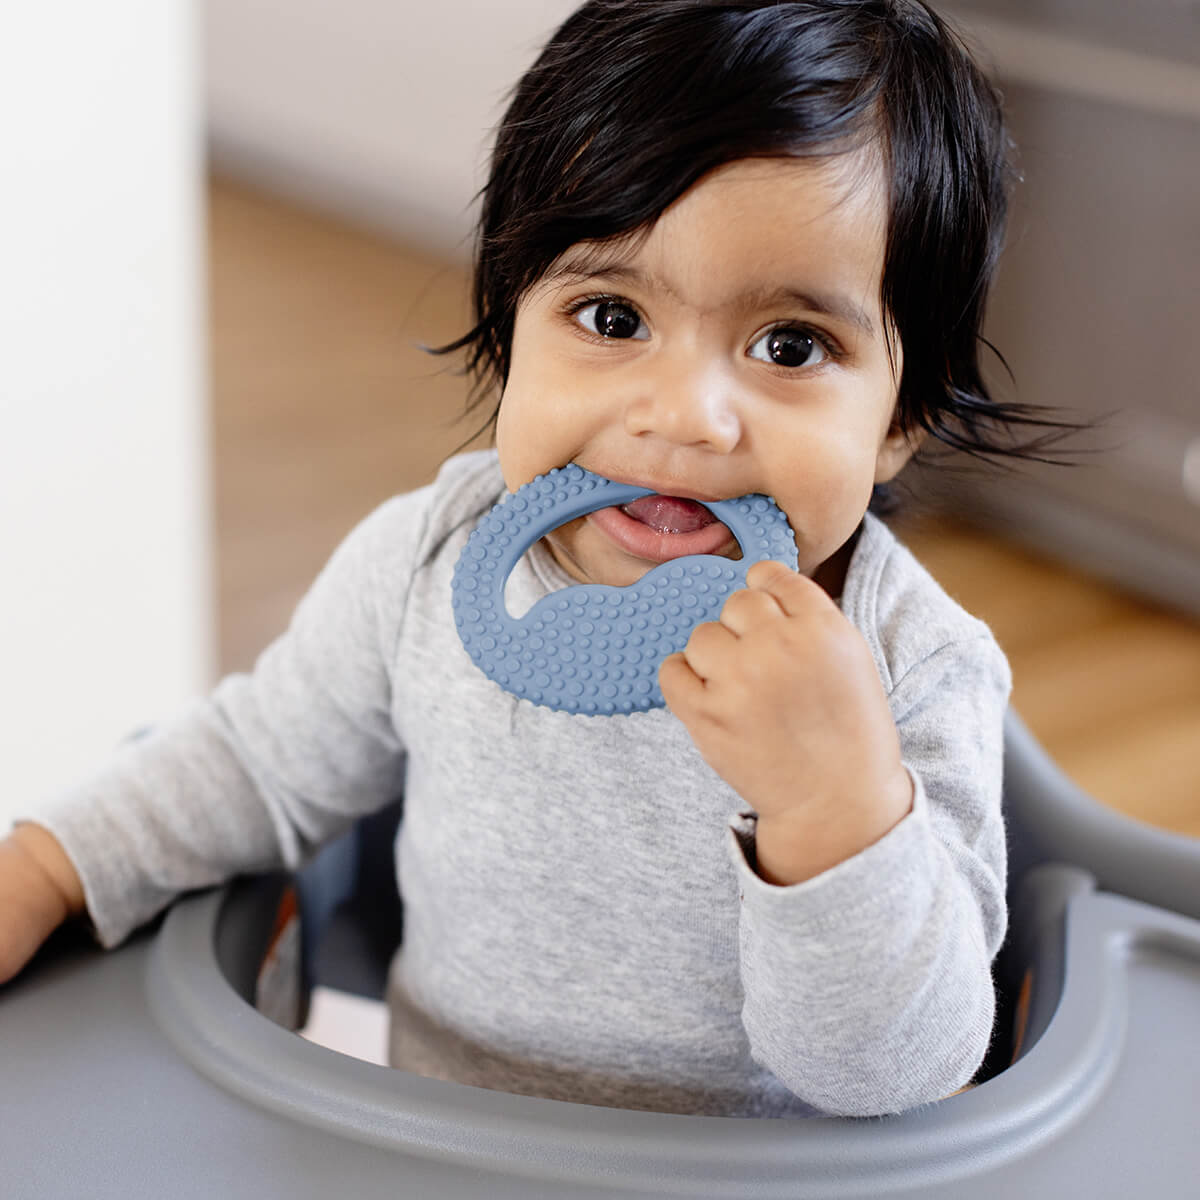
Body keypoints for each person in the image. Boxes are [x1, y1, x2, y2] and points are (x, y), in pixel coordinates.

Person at [0, 0, 1066, 1118]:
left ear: (901, 418)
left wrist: (839, 814)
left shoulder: (913, 671)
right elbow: (254, 765)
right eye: (611, 317)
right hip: (441, 1151)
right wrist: (43, 865)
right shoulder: (429, 564)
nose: (685, 416)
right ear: (512, 332)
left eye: (789, 346)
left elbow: (901, 1078)